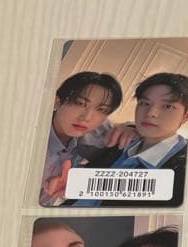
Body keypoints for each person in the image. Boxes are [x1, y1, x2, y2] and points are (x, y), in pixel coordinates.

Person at [71, 73, 188, 208]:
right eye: (145, 103)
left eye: (168, 106)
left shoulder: (187, 171)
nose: (151, 113)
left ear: (185, 117)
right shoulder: (120, 141)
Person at [40, 71, 126, 207]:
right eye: (80, 103)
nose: (87, 117)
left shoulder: (100, 131)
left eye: (102, 110)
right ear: (57, 102)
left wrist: (130, 128)